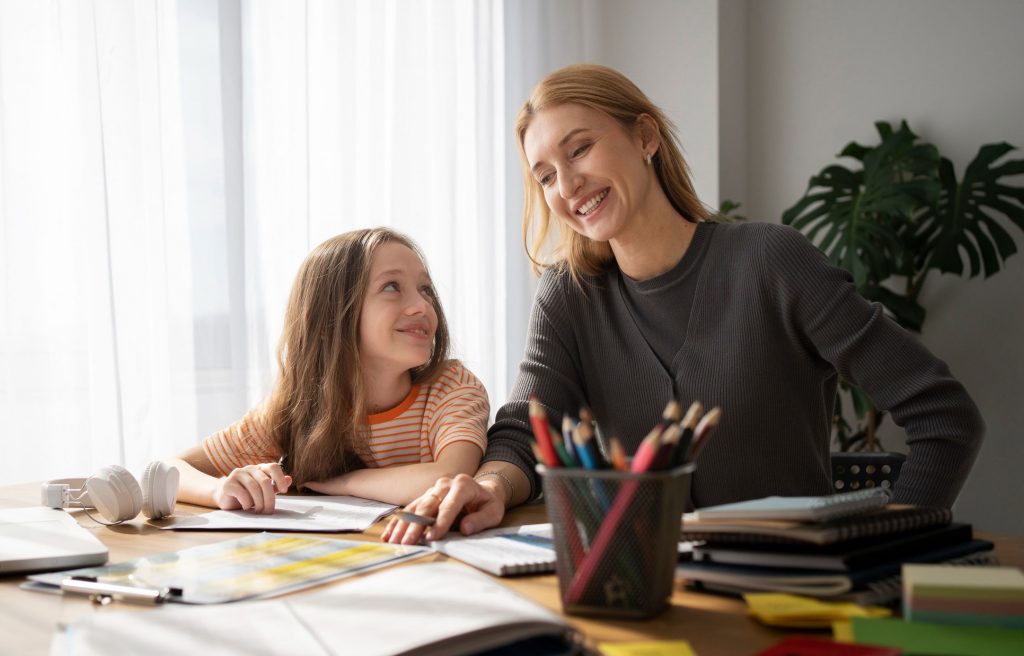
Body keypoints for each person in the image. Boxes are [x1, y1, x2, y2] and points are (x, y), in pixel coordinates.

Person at [383, 63, 984, 545]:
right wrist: (491, 482)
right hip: (645, 596)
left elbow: (944, 414)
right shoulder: (568, 294)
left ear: (645, 137)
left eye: (580, 150)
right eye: (543, 175)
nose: (566, 187)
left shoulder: (772, 262)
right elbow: (526, 430)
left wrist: (894, 541)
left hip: (792, 593)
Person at [169, 228, 489, 513]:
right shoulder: (293, 408)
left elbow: (449, 478)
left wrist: (345, 483)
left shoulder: (452, 387)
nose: (421, 305)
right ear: (326, 319)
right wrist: (221, 488)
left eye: (425, 289)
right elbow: (167, 471)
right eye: (392, 286)